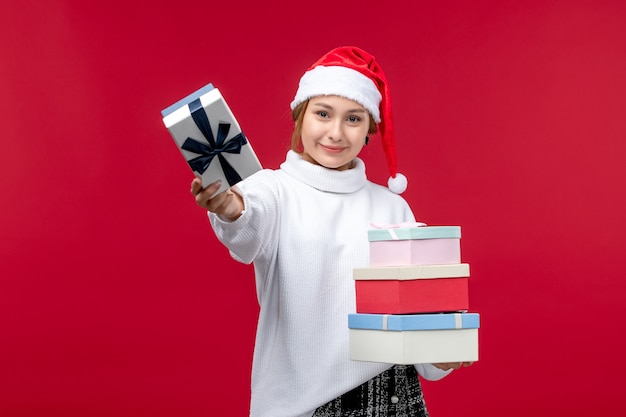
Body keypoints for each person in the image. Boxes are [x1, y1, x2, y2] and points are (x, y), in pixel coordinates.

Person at [191, 46, 470, 417]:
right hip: (299, 403)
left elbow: (416, 320)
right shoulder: (272, 190)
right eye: (323, 114)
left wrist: (441, 354)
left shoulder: (392, 207)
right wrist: (228, 208)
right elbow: (247, 222)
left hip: (392, 399)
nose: (336, 133)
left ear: (370, 128)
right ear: (300, 117)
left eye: (353, 119)